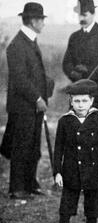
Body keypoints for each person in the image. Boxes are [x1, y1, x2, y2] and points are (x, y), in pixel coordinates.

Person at [46, 79, 98, 223]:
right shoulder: (65, 121)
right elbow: (58, 148)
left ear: (91, 101)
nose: (80, 105)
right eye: (76, 101)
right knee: (65, 210)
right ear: (71, 102)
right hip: (71, 171)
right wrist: (57, 172)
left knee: (92, 210)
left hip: (94, 170)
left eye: (84, 101)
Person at [0, 2, 53, 200]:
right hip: (23, 105)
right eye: (42, 20)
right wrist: (38, 97)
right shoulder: (17, 45)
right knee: (21, 146)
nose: (44, 24)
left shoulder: (30, 41)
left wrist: (46, 89)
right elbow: (20, 79)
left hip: (33, 105)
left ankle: (30, 184)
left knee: (33, 146)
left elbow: (34, 74)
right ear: (33, 21)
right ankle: (16, 188)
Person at [62, 0, 98, 144]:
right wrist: (74, 74)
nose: (81, 19)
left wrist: (91, 77)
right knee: (78, 135)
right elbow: (66, 63)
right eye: (79, 15)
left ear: (93, 13)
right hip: (79, 95)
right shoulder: (74, 37)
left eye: (84, 15)